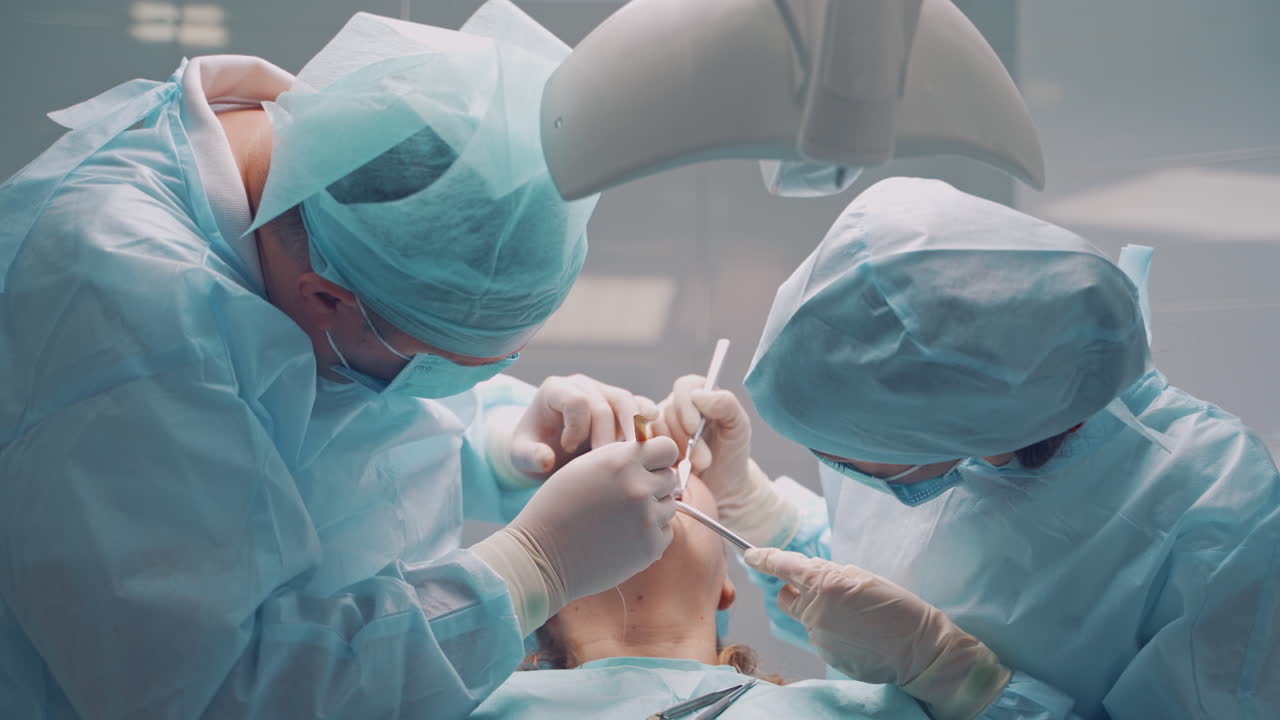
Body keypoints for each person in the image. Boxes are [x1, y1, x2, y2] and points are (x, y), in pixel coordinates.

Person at [0, 3, 682, 718]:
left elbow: (307, 426)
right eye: (438, 370)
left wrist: (494, 448)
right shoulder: (122, 323)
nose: (444, 391)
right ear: (324, 299)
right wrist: (531, 570)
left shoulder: (341, 168)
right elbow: (215, 693)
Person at [655, 177, 1280, 720]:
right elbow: (885, 592)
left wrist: (963, 681)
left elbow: (912, 625)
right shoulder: (954, 413)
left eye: (851, 453)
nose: (843, 471)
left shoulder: (1216, 519)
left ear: (957, 430)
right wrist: (753, 506)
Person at [471, 472, 932, 720]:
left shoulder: (866, 711)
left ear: (726, 584)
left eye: (674, 466)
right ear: (543, 593)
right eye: (601, 468)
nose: (641, 482)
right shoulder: (455, 706)